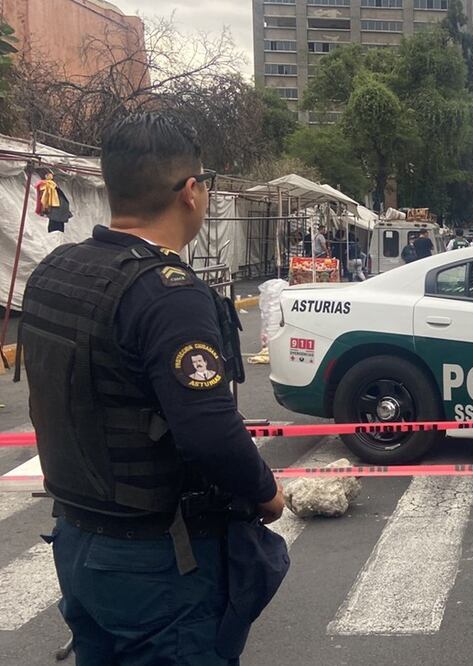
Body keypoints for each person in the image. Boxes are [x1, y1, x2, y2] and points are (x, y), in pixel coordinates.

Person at [19, 113, 288, 664]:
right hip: (160, 560)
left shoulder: (57, 269)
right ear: (191, 191)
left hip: (78, 540)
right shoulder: (167, 293)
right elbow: (210, 432)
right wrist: (267, 492)